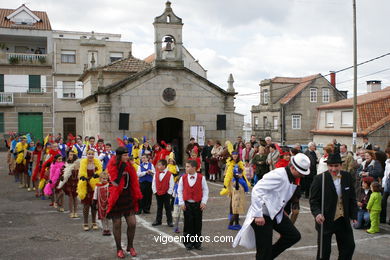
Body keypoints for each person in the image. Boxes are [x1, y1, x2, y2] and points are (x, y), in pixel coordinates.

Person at [233, 153, 311, 259]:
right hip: (262, 215)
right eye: (301, 172)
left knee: (293, 236)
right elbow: (257, 190)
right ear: (293, 168)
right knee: (264, 250)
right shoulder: (278, 175)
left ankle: (268, 256)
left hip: (276, 213)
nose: (303, 175)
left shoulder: (291, 177)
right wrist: (257, 214)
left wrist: (281, 209)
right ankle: (266, 256)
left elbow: (277, 195)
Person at [309, 153, 357, 260]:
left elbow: (352, 198)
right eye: (331, 166)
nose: (333, 169)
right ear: (327, 166)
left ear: (341, 165)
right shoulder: (319, 179)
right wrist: (317, 213)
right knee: (324, 252)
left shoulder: (347, 177)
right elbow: (313, 201)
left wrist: (354, 215)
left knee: (349, 247)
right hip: (325, 220)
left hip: (343, 219)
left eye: (336, 166)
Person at [106, 146, 142, 258]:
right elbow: (115, 183)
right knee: (117, 224)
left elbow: (134, 182)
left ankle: (130, 246)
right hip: (116, 198)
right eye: (125, 155)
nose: (127, 157)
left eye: (128, 155)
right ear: (119, 156)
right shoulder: (112, 166)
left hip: (127, 197)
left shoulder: (130, 166)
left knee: (132, 223)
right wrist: (121, 169)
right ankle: (119, 248)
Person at [177, 160, 209, 250]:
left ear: (194, 168)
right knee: (188, 224)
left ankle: (197, 243)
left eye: (188, 166)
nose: (186, 168)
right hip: (187, 204)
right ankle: (188, 243)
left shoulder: (201, 178)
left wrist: (204, 202)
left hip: (198, 204)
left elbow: (205, 190)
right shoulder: (183, 178)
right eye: (186, 166)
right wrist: (181, 202)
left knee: (198, 224)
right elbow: (179, 190)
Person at [77, 149, 102, 231]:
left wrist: (97, 174)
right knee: (86, 205)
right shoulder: (83, 163)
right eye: (89, 154)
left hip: (94, 186)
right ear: (86, 155)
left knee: (94, 205)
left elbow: (100, 172)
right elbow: (80, 173)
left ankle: (94, 222)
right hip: (86, 186)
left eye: (92, 154)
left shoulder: (97, 163)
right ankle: (85, 223)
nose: (90, 155)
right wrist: (82, 176)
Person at [57, 150, 80, 218]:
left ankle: (75, 212)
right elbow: (63, 171)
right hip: (69, 182)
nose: (70, 156)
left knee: (75, 197)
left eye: (72, 155)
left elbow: (81, 172)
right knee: (70, 197)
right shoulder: (66, 163)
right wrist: (62, 175)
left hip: (76, 182)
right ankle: (71, 212)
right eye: (69, 155)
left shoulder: (78, 163)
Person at [152, 159, 174, 227]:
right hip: (158, 193)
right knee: (159, 207)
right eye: (158, 165)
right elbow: (154, 183)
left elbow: (171, 184)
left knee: (168, 208)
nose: (158, 166)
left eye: (159, 165)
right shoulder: (156, 173)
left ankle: (169, 221)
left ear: (164, 166)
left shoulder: (169, 174)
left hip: (166, 193)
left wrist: (169, 193)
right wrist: (155, 191)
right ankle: (158, 220)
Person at [93, 171, 111, 236]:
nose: (105, 180)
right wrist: (94, 202)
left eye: (106, 179)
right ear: (100, 178)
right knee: (102, 217)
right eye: (103, 178)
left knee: (107, 217)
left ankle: (108, 228)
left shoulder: (108, 185)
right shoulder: (97, 186)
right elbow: (95, 194)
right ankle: (104, 229)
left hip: (107, 203)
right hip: (100, 204)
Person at [380, 147, 390, 224]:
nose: (386, 154)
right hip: (386, 183)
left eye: (387, 153)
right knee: (383, 201)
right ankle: (382, 218)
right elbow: (385, 174)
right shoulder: (387, 161)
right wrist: (383, 184)